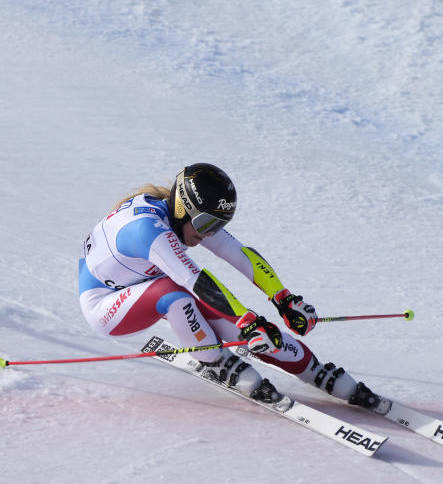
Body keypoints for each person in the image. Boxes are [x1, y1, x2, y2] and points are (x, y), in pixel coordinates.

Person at [78, 162, 389, 412]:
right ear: (183, 209)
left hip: (144, 282)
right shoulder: (150, 231)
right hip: (106, 305)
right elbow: (196, 279)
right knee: (174, 295)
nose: (207, 235)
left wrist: (284, 299)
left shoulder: (186, 217)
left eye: (217, 225)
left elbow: (239, 255)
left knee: (248, 332)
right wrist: (250, 320)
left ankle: (314, 369)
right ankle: (214, 362)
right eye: (204, 226)